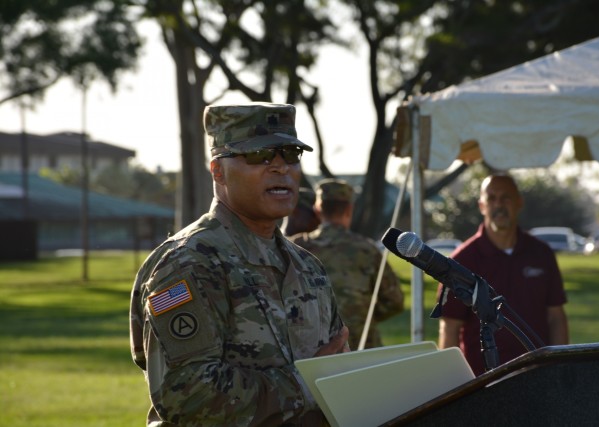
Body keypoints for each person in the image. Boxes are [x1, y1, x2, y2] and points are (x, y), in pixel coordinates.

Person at [129, 102, 349, 427]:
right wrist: (304, 385)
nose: (280, 168)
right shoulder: (188, 263)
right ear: (218, 170)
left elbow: (336, 366)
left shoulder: (307, 267)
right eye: (259, 156)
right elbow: (187, 395)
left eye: (290, 154)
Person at [436, 173, 569, 375]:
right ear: (481, 206)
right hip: (483, 384)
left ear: (519, 202)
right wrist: (453, 383)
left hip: (538, 377)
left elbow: (556, 318)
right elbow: (450, 328)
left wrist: (559, 370)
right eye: (491, 198)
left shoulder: (542, 254)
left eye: (506, 197)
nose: (499, 204)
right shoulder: (461, 261)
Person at [292, 178, 404, 350]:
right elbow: (394, 301)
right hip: (362, 346)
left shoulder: (295, 248)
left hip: (311, 350)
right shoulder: (366, 250)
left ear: (317, 209)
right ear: (349, 210)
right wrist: (361, 316)